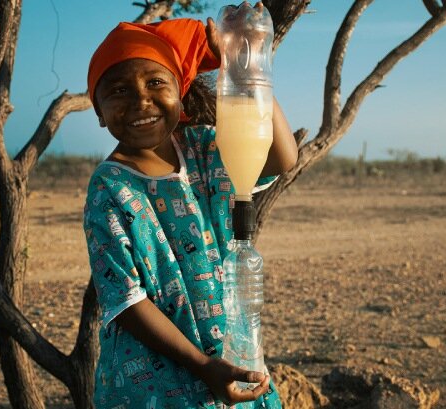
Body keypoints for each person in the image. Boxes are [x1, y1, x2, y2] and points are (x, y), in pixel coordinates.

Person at [82, 13, 297, 409]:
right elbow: (127, 300)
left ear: (180, 92)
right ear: (98, 110)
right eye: (119, 90)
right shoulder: (109, 186)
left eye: (156, 83)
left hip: (228, 357)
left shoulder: (205, 148)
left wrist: (245, 69)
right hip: (154, 385)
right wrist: (202, 366)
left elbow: (281, 156)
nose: (141, 100)